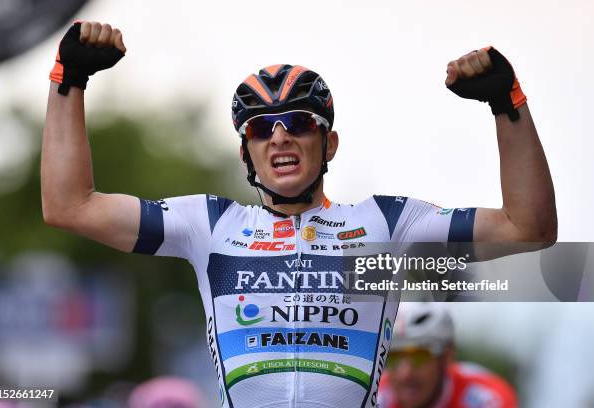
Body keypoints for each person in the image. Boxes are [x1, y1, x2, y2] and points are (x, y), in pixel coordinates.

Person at [41, 21, 556, 408]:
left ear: (328, 143)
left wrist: (507, 105)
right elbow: (69, 206)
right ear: (247, 154)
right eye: (261, 129)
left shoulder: (387, 226)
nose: (280, 135)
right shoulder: (211, 226)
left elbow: (528, 228)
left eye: (297, 122)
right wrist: (71, 79)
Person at [377, 303, 518, 408]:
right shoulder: (377, 396)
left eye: (419, 356)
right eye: (394, 357)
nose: (405, 374)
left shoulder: (486, 398)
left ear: (446, 357)